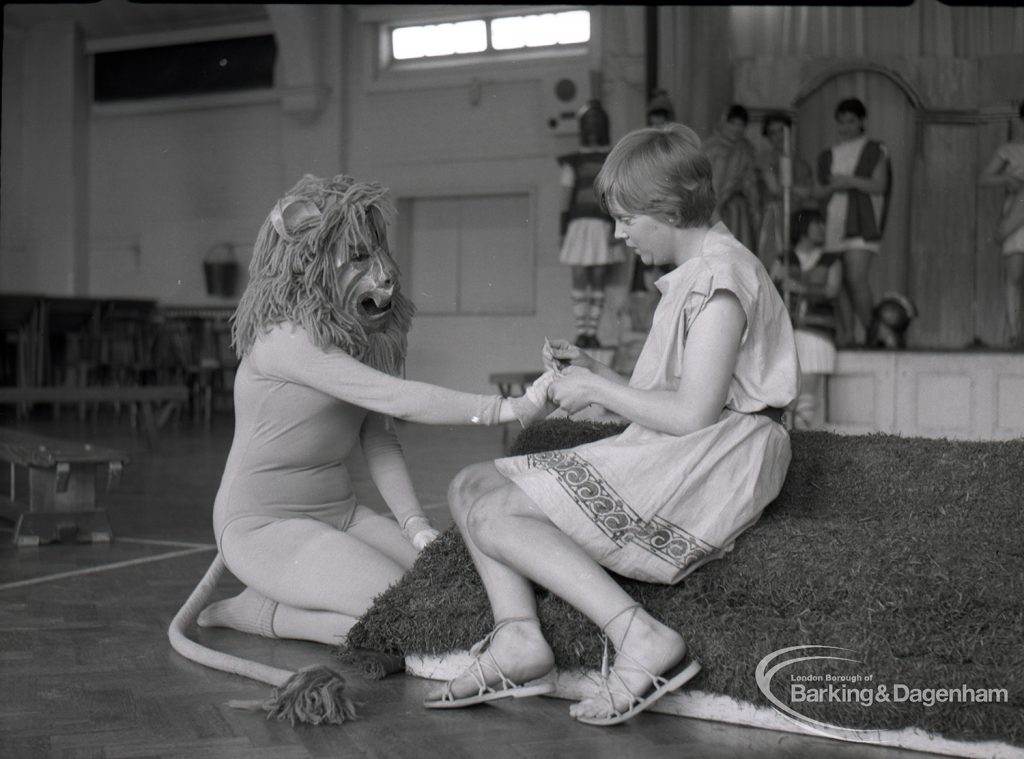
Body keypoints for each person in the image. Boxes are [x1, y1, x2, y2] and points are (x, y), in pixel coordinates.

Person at [425, 124, 799, 725]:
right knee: (467, 484)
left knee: (494, 513)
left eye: (627, 218)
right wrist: (601, 371)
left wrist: (599, 387)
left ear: (669, 209)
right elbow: (680, 396)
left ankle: (642, 637)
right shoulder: (698, 273)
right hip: (694, 441)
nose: (619, 233)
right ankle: (518, 637)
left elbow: (694, 414)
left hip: (723, 454)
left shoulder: (722, 278)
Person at [170, 174, 551, 717]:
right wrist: (505, 408)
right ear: (310, 261)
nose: (381, 271)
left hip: (338, 513)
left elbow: (380, 438)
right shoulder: (286, 339)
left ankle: (285, 600)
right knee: (402, 614)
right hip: (262, 526)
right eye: (354, 256)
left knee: (446, 585)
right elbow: (398, 398)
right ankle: (256, 612)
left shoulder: (360, 340)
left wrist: (415, 526)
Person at [813, 97, 892, 347]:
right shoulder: (828, 155)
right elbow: (819, 192)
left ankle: (873, 333)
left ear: (862, 122)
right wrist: (832, 187)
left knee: (856, 277)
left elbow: (879, 185)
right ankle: (847, 334)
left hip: (863, 220)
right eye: (842, 121)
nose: (846, 126)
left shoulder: (874, 149)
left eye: (851, 121)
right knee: (839, 280)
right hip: (834, 219)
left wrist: (848, 181)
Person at [558, 99, 626, 348]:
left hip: (603, 224)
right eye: (589, 123)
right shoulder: (573, 162)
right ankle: (581, 331)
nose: (593, 127)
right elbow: (566, 199)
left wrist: (615, 224)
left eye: (598, 122)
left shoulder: (612, 159)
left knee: (598, 276)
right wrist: (562, 230)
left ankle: (592, 332)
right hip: (579, 224)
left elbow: (615, 196)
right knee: (579, 274)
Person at [771, 209, 842, 429]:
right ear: (802, 228)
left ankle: (802, 435)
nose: (822, 229)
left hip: (816, 330)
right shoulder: (783, 259)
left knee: (806, 401)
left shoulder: (831, 260)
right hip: (786, 331)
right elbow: (770, 290)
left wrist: (799, 287)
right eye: (816, 224)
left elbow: (832, 291)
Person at [978, 100, 1024, 348]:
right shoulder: (1010, 149)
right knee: (1014, 275)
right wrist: (1007, 177)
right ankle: (1015, 334)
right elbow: (984, 177)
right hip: (1015, 212)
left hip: (1021, 207)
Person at [756, 112, 814, 269]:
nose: (778, 136)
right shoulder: (766, 159)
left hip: (797, 217)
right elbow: (774, 188)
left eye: (781, 130)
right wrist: (795, 191)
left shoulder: (800, 161)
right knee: (775, 263)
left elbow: (809, 192)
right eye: (772, 133)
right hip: (775, 216)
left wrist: (790, 190)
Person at [702, 104, 761, 254]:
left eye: (741, 125)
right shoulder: (709, 147)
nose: (736, 129)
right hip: (708, 209)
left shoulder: (745, 149)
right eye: (733, 123)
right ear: (724, 122)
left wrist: (755, 210)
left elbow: (751, 184)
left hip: (736, 214)